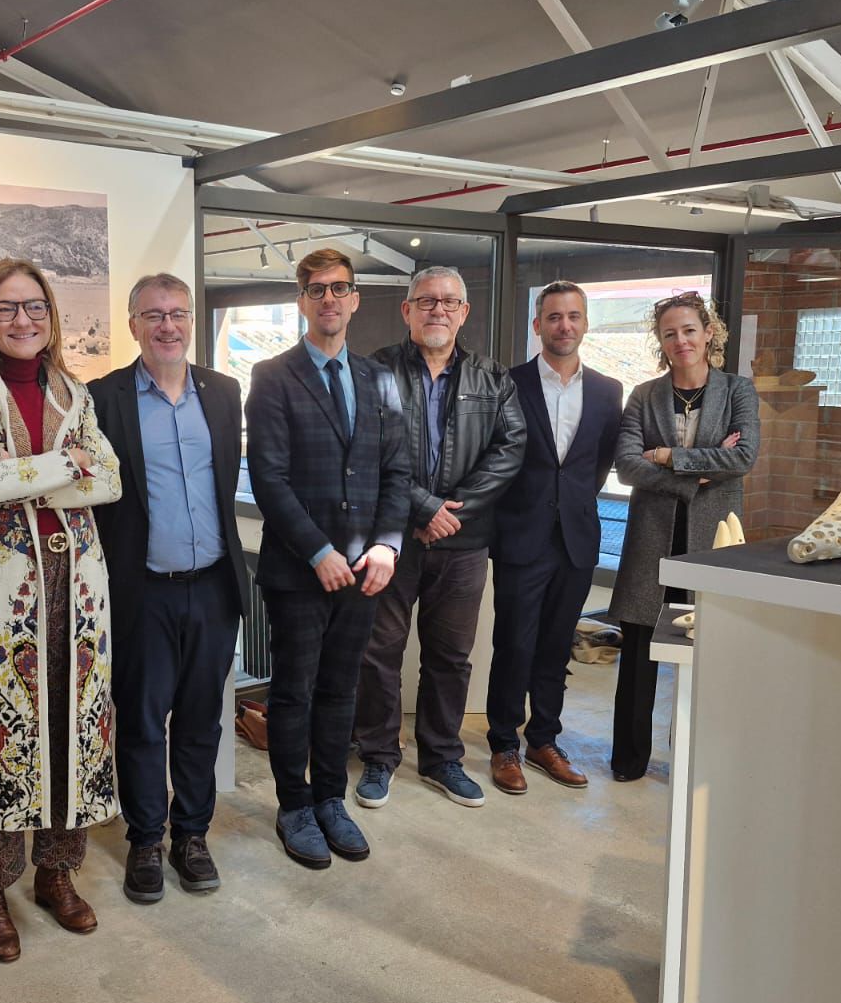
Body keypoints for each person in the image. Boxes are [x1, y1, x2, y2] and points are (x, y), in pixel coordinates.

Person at [0, 258, 122, 963]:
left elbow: (112, 480)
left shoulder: (72, 388)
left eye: (35, 307)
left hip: (80, 588)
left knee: (73, 730)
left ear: (52, 315)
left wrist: (36, 472)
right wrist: (69, 463)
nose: (23, 321)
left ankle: (55, 874)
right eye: (7, 308)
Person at [246, 248, 411, 869]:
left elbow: (398, 471)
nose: (330, 300)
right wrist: (317, 550)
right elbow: (269, 478)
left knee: (342, 690)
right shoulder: (272, 376)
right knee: (294, 692)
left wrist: (386, 544)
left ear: (356, 299)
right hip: (298, 571)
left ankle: (330, 800)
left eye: (340, 289)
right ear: (302, 301)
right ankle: (294, 807)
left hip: (364, 573)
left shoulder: (379, 379)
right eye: (317, 290)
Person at [91, 273, 248, 904]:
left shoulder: (224, 391)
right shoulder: (103, 398)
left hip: (213, 587)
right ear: (132, 324)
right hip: (143, 591)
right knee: (143, 724)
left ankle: (192, 835)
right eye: (153, 315)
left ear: (192, 320)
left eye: (178, 313)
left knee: (201, 723)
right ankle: (145, 840)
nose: (168, 326)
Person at [353, 266, 526, 810]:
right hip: (390, 539)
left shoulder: (493, 378)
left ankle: (442, 758)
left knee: (451, 656)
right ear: (407, 311)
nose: (438, 310)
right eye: (426, 301)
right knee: (379, 653)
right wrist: (423, 507)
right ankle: (379, 756)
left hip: (465, 542)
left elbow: (510, 450)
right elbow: (363, 452)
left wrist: (454, 511)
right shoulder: (374, 371)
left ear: (464, 313)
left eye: (450, 302)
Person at [607, 292, 759, 781]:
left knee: (710, 651)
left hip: (713, 540)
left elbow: (744, 458)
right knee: (637, 653)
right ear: (661, 340)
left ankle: (701, 761)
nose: (681, 341)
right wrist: (702, 470)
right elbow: (627, 466)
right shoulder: (643, 395)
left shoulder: (737, 391)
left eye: (689, 330)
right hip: (651, 538)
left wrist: (669, 457)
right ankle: (629, 761)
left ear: (708, 332)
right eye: (670, 332)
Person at [486, 281, 624, 794]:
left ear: (585, 323)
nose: (563, 325)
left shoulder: (610, 390)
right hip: (521, 534)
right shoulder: (509, 382)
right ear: (537, 325)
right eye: (553, 317)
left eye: (573, 316)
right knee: (514, 644)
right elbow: (495, 454)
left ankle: (544, 739)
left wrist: (573, 501)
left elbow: (600, 462)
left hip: (577, 536)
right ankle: (504, 743)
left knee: (554, 646)